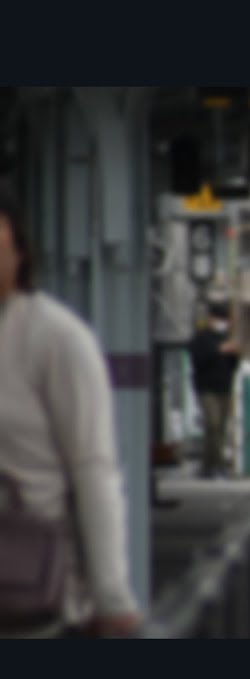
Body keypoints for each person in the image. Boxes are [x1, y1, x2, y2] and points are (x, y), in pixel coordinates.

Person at [0, 189, 142, 637]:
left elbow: (93, 467)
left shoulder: (57, 338)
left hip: (28, 584)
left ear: (20, 255)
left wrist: (111, 596)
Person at [189, 301, 240, 479]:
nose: (222, 322)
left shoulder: (226, 337)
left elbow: (233, 365)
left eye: (224, 319)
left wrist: (234, 355)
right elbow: (198, 360)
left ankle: (207, 466)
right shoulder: (201, 337)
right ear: (210, 319)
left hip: (224, 387)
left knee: (219, 429)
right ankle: (219, 466)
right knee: (213, 423)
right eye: (219, 318)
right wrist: (218, 350)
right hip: (206, 388)